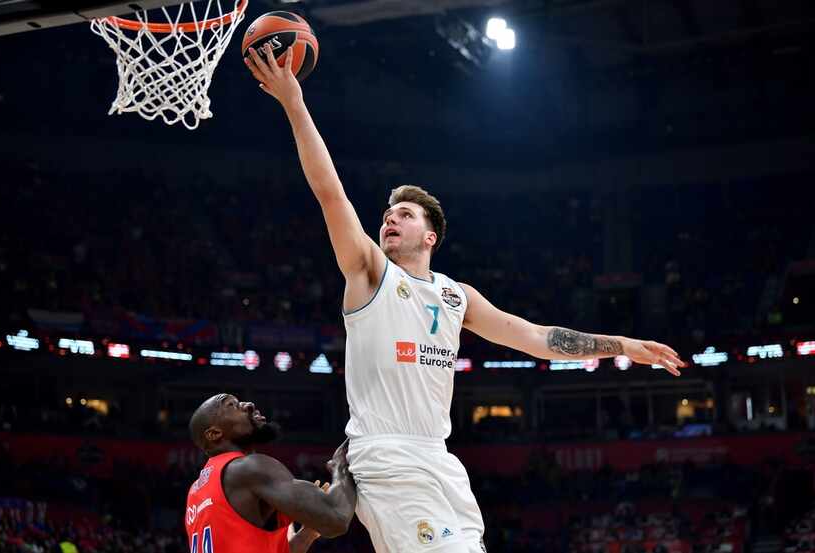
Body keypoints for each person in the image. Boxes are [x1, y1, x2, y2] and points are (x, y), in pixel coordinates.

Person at [245, 43, 687, 553]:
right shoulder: (369, 273)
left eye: (406, 215)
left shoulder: (457, 296)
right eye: (389, 214)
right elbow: (330, 191)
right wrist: (294, 103)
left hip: (440, 458)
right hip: (386, 457)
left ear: (430, 236)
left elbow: (538, 338)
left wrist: (622, 344)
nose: (391, 219)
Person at [185, 393, 356, 553]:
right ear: (214, 434)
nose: (249, 405)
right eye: (233, 406)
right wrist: (340, 466)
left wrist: (308, 533)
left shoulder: (196, 491)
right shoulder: (247, 468)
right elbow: (336, 518)